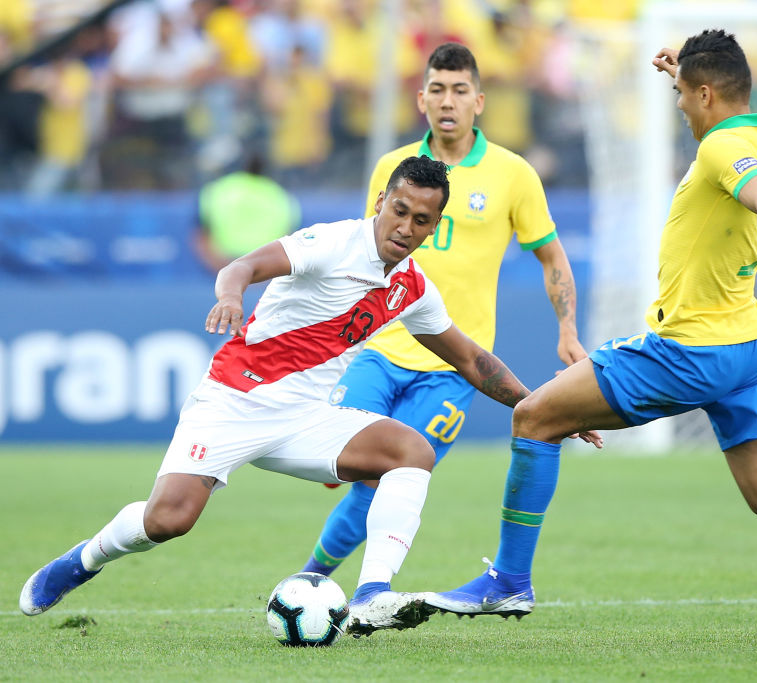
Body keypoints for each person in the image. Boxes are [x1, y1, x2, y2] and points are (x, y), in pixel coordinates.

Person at [423, 30, 757, 633]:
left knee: (534, 417)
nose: (678, 105)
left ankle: (507, 583)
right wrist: (683, 70)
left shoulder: (717, 150)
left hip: (688, 348)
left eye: (684, 94)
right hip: (748, 350)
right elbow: (733, 132)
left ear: (706, 94)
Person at [19, 156, 553, 636]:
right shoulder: (331, 243)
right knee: (168, 520)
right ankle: (80, 562)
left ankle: (372, 596)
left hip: (306, 418)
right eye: (399, 209)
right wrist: (230, 297)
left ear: (435, 228)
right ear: (380, 202)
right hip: (234, 401)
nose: (405, 226)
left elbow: (471, 360)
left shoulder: (411, 288)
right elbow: (240, 267)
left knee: (411, 452)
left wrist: (539, 408)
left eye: (420, 220)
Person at [300, 42, 587, 578]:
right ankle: (320, 581)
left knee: (385, 475)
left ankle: (313, 580)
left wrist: (567, 328)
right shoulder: (394, 168)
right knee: (331, 469)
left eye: (459, 90)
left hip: (455, 368)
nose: (447, 100)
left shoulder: (513, 174)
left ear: (479, 101)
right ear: (421, 99)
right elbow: (363, 257)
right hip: (380, 351)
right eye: (437, 89)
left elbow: (552, 257)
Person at [194, 153, 300, 273]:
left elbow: (201, 236)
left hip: (223, 266)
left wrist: (224, 270)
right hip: (264, 267)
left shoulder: (216, 190)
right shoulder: (282, 196)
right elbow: (289, 241)